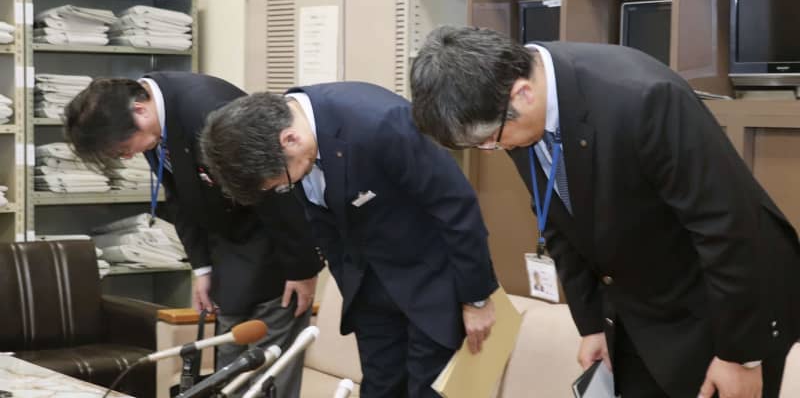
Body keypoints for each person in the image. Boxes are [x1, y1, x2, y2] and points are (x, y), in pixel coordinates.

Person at [409, 25, 800, 398]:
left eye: (490, 141)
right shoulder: (514, 107)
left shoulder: (644, 98)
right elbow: (561, 220)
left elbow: (727, 227)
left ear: (522, 94)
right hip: (641, 306)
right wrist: (592, 324)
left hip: (724, 307)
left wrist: (741, 355)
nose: (493, 150)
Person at [200, 82, 499, 398]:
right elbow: (323, 223)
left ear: (290, 139)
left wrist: (477, 297)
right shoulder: (284, 136)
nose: (285, 188)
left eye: (282, 185)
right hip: (370, 294)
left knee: (429, 392)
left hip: (432, 287)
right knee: (379, 390)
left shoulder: (381, 122)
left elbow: (456, 205)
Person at [65, 72, 323, 398]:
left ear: (139, 111)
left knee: (270, 374)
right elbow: (179, 197)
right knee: (231, 372)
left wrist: (302, 268)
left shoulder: (210, 108)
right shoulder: (153, 125)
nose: (127, 157)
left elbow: (278, 187)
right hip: (228, 252)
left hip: (275, 247)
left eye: (123, 149)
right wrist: (201, 266)